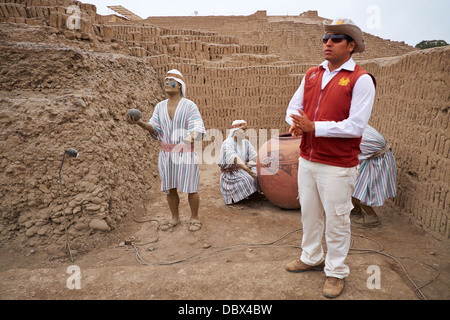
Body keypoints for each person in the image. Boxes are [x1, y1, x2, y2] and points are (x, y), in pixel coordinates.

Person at [285, 18, 376, 298]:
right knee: (309, 213)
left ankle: (336, 272)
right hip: (308, 159)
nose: (328, 43)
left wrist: (315, 127)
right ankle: (311, 257)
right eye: (325, 38)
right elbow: (294, 106)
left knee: (337, 220)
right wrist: (295, 121)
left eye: (336, 38)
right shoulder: (312, 74)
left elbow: (356, 126)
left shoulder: (361, 80)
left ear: (350, 46)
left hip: (337, 165)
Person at [127, 69, 206, 232]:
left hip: (185, 153)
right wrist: (140, 123)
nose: (167, 82)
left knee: (191, 187)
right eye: (165, 80)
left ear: (180, 86)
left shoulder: (189, 105)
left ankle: (194, 217)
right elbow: (154, 128)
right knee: (169, 188)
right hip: (165, 154)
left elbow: (197, 127)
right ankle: (175, 218)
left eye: (171, 80)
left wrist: (187, 140)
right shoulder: (159, 107)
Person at [351, 125, 397, 228]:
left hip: (377, 158)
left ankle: (372, 216)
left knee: (352, 187)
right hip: (371, 155)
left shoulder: (343, 131)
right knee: (349, 181)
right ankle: (356, 208)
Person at [217, 120, 259, 204]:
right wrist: (248, 170)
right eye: (243, 130)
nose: (245, 132)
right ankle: (235, 196)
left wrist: (264, 163)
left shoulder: (246, 142)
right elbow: (234, 158)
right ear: (235, 131)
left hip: (242, 170)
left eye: (245, 130)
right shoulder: (228, 143)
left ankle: (253, 193)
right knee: (248, 179)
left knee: (260, 173)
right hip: (231, 174)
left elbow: (255, 157)